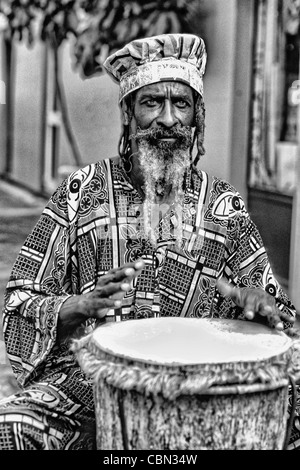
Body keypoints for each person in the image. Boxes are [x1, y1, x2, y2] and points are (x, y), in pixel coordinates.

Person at [0, 33, 299, 450]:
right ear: (128, 112)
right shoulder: (81, 191)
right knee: (12, 426)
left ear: (198, 116)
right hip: (91, 379)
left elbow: (279, 316)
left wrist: (261, 305)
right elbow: (19, 304)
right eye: (152, 102)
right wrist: (75, 306)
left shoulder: (225, 206)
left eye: (181, 103)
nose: (168, 119)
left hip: (200, 384)